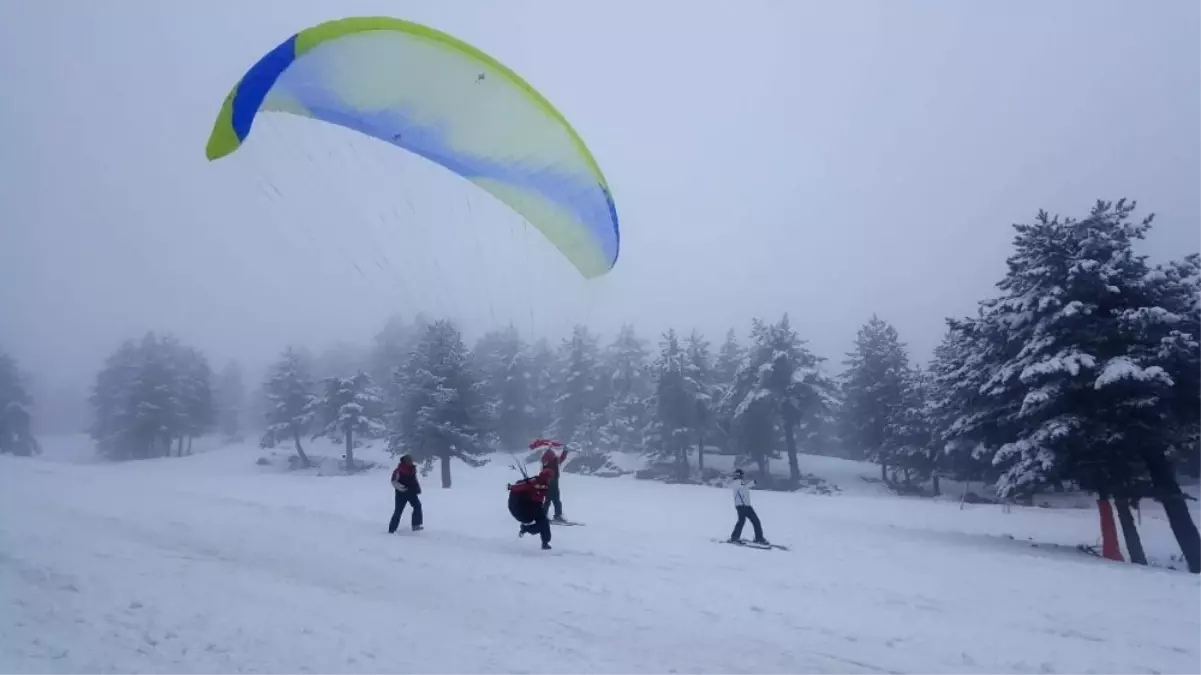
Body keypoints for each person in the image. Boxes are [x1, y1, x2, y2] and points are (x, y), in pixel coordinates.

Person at [508, 463, 555, 550]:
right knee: (543, 523)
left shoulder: (545, 484)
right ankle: (526, 529)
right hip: (529, 506)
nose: (550, 480)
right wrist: (511, 487)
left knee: (544, 523)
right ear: (546, 476)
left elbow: (542, 494)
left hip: (536, 506)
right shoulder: (534, 481)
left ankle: (545, 542)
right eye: (549, 477)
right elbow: (520, 487)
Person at [531, 438, 569, 522]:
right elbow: (550, 462)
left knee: (552, 499)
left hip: (554, 480)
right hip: (549, 481)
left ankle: (550, 515)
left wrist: (565, 452)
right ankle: (553, 516)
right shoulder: (548, 456)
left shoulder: (553, 457)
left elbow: (559, 460)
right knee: (552, 499)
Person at [729, 468, 768, 545]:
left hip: (747, 506)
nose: (743, 476)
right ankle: (734, 538)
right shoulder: (736, 483)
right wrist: (752, 482)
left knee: (756, 521)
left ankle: (759, 538)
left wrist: (753, 482)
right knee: (741, 522)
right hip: (741, 506)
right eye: (742, 475)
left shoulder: (741, 483)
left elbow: (746, 486)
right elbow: (744, 485)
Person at [388, 454, 424, 533]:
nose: (411, 461)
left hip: (411, 492)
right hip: (401, 494)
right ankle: (392, 529)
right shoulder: (398, 470)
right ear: (405, 461)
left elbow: (414, 480)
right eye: (410, 460)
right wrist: (402, 488)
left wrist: (417, 488)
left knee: (417, 506)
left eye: (411, 460)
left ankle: (416, 525)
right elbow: (393, 481)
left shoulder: (412, 469)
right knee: (398, 511)